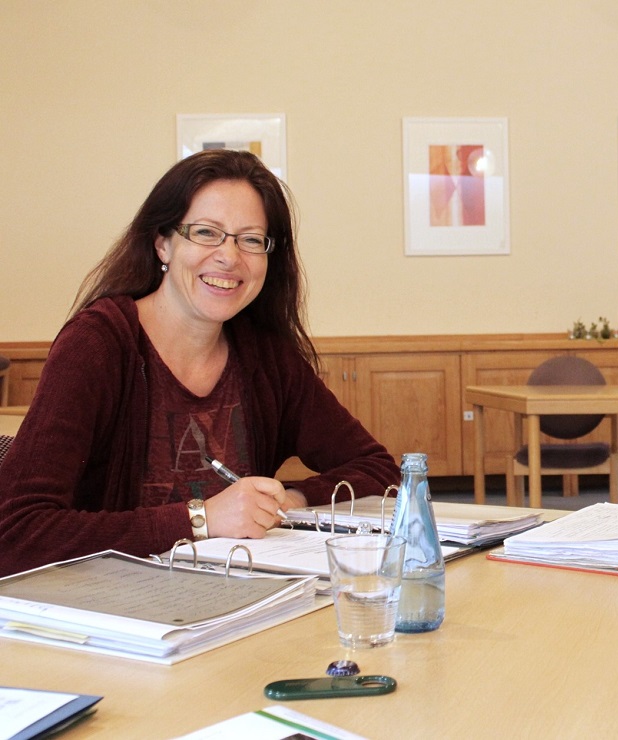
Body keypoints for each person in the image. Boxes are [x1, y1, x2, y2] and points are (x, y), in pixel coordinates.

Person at [0, 150, 400, 576]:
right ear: (163, 243)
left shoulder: (265, 355)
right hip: (113, 617)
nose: (229, 257)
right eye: (207, 232)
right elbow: (15, 532)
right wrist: (201, 519)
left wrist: (288, 498)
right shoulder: (97, 345)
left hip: (237, 602)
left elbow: (379, 469)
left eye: (250, 239)